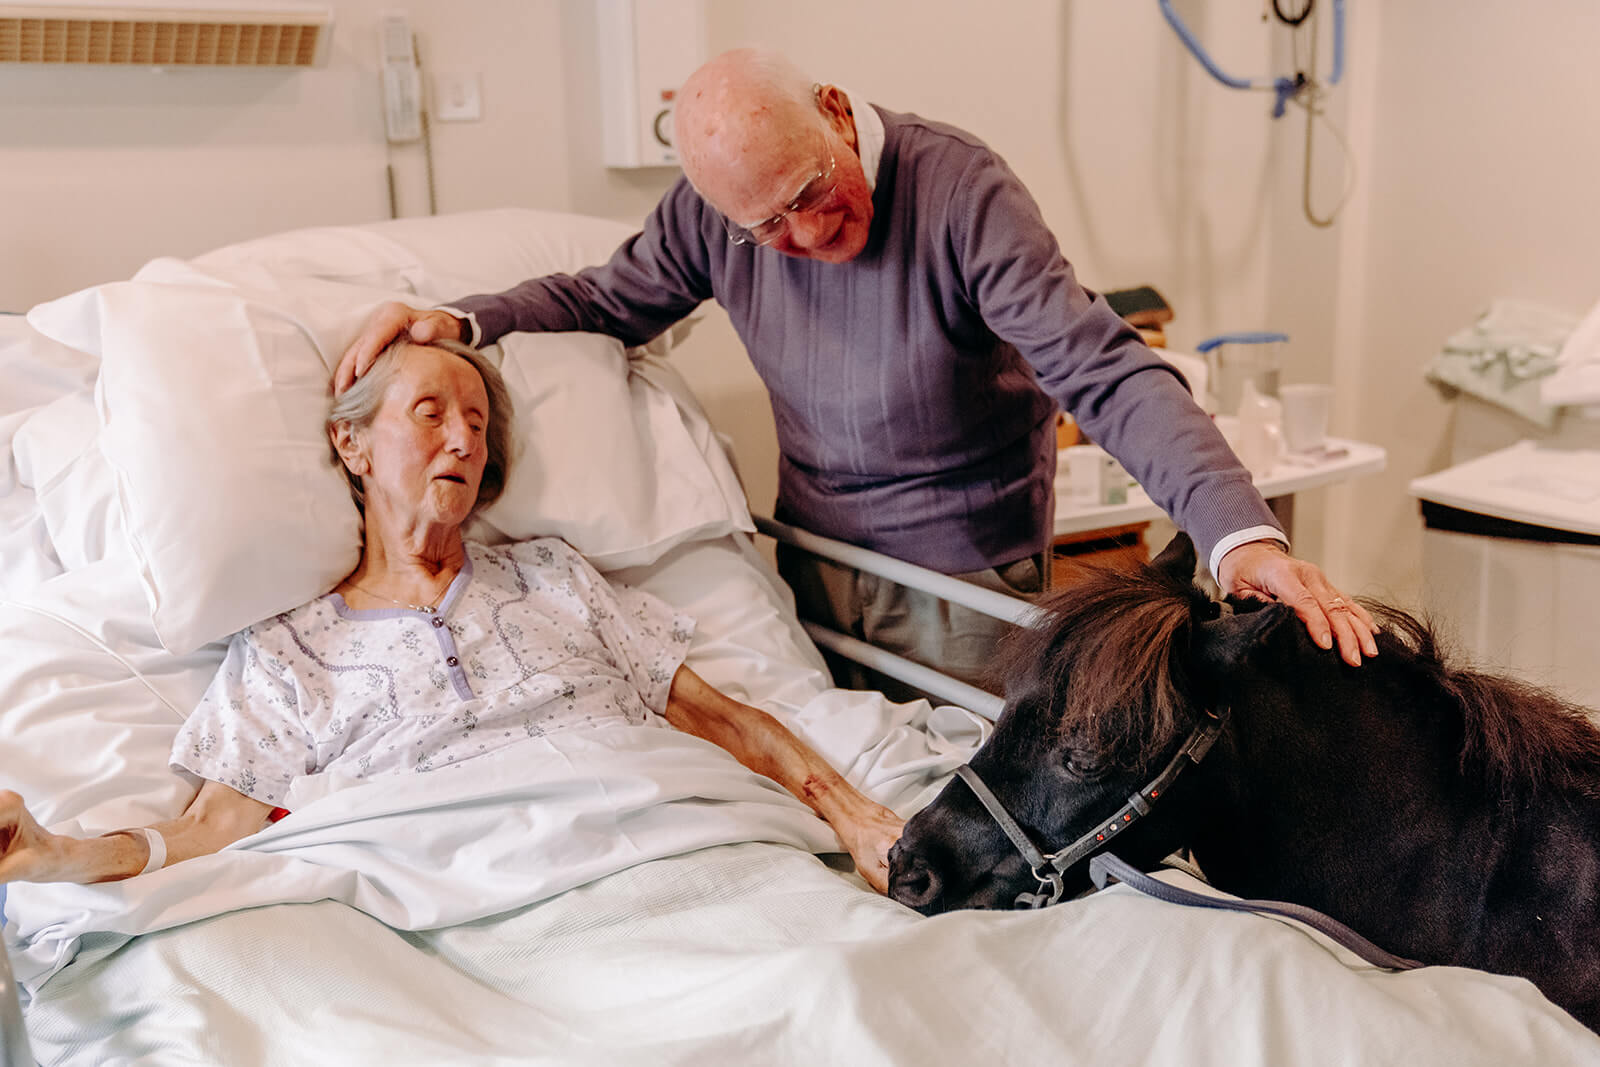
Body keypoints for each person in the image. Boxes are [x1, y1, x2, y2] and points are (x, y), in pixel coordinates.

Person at [334, 48, 1379, 689]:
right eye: (763, 225)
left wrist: (1235, 536)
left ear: (835, 111)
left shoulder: (960, 193)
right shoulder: (718, 216)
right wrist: (460, 320)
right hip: (811, 564)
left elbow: (1099, 369)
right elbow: (611, 297)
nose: (798, 237)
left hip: (962, 575)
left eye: (809, 192)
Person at [0, 339, 904, 894]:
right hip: (469, 899)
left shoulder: (557, 576)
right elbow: (207, 834)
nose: (464, 439)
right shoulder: (288, 649)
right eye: (428, 413)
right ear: (350, 443)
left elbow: (722, 719)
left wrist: (858, 817)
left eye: (476, 421)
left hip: (674, 848)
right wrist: (59, 852)